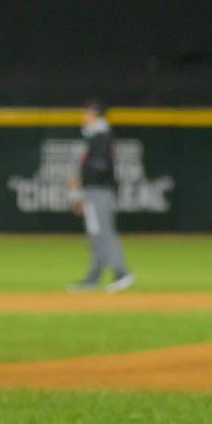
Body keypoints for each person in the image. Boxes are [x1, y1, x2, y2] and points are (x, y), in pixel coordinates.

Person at [67, 102, 134, 292]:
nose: (83, 115)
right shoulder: (93, 135)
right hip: (94, 190)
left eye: (86, 112)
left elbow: (101, 166)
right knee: (96, 235)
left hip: (100, 190)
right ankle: (93, 278)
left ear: (95, 115)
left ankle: (122, 272)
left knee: (104, 233)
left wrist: (80, 180)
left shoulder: (102, 136)